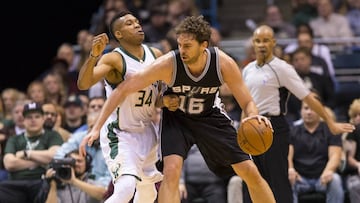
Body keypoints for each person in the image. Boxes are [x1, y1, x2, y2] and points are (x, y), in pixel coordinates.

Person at [80, 15, 276, 203]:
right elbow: (123, 88)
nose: (182, 50)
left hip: (210, 117)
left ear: (204, 46)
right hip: (177, 120)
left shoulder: (222, 63)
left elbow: (247, 102)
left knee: (250, 171)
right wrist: (97, 126)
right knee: (171, 172)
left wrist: (253, 117)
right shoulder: (168, 63)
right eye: (180, 45)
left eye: (188, 46)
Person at [241, 24, 355, 203]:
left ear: (273, 42)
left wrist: (330, 122)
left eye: (265, 40)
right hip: (250, 128)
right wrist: (242, 128)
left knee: (278, 182)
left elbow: (308, 97)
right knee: (250, 180)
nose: (261, 45)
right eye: (257, 41)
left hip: (273, 128)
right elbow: (245, 103)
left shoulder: (282, 68)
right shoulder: (247, 70)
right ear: (253, 44)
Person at [77, 10, 165, 203]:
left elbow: (156, 99)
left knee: (149, 191)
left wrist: (167, 100)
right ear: (119, 34)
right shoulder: (114, 59)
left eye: (137, 22)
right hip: (120, 132)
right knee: (125, 189)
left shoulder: (156, 55)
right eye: (129, 23)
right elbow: (84, 84)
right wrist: (93, 56)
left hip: (147, 131)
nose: (137, 25)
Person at [0, 102, 64, 203]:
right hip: (16, 184)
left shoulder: (53, 136)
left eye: (37, 116)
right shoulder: (14, 139)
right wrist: (41, 160)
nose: (33, 120)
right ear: (23, 120)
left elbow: (55, 155)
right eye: (29, 117)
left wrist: (26, 154)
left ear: (43, 119)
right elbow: (9, 164)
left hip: (42, 181)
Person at [288, 100, 344, 203]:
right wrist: (291, 169)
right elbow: (288, 155)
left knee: (335, 179)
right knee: (287, 179)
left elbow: (335, 155)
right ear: (300, 111)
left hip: (322, 179)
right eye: (306, 108)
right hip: (300, 179)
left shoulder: (331, 130)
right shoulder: (292, 131)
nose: (309, 112)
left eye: (313, 109)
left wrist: (328, 170)